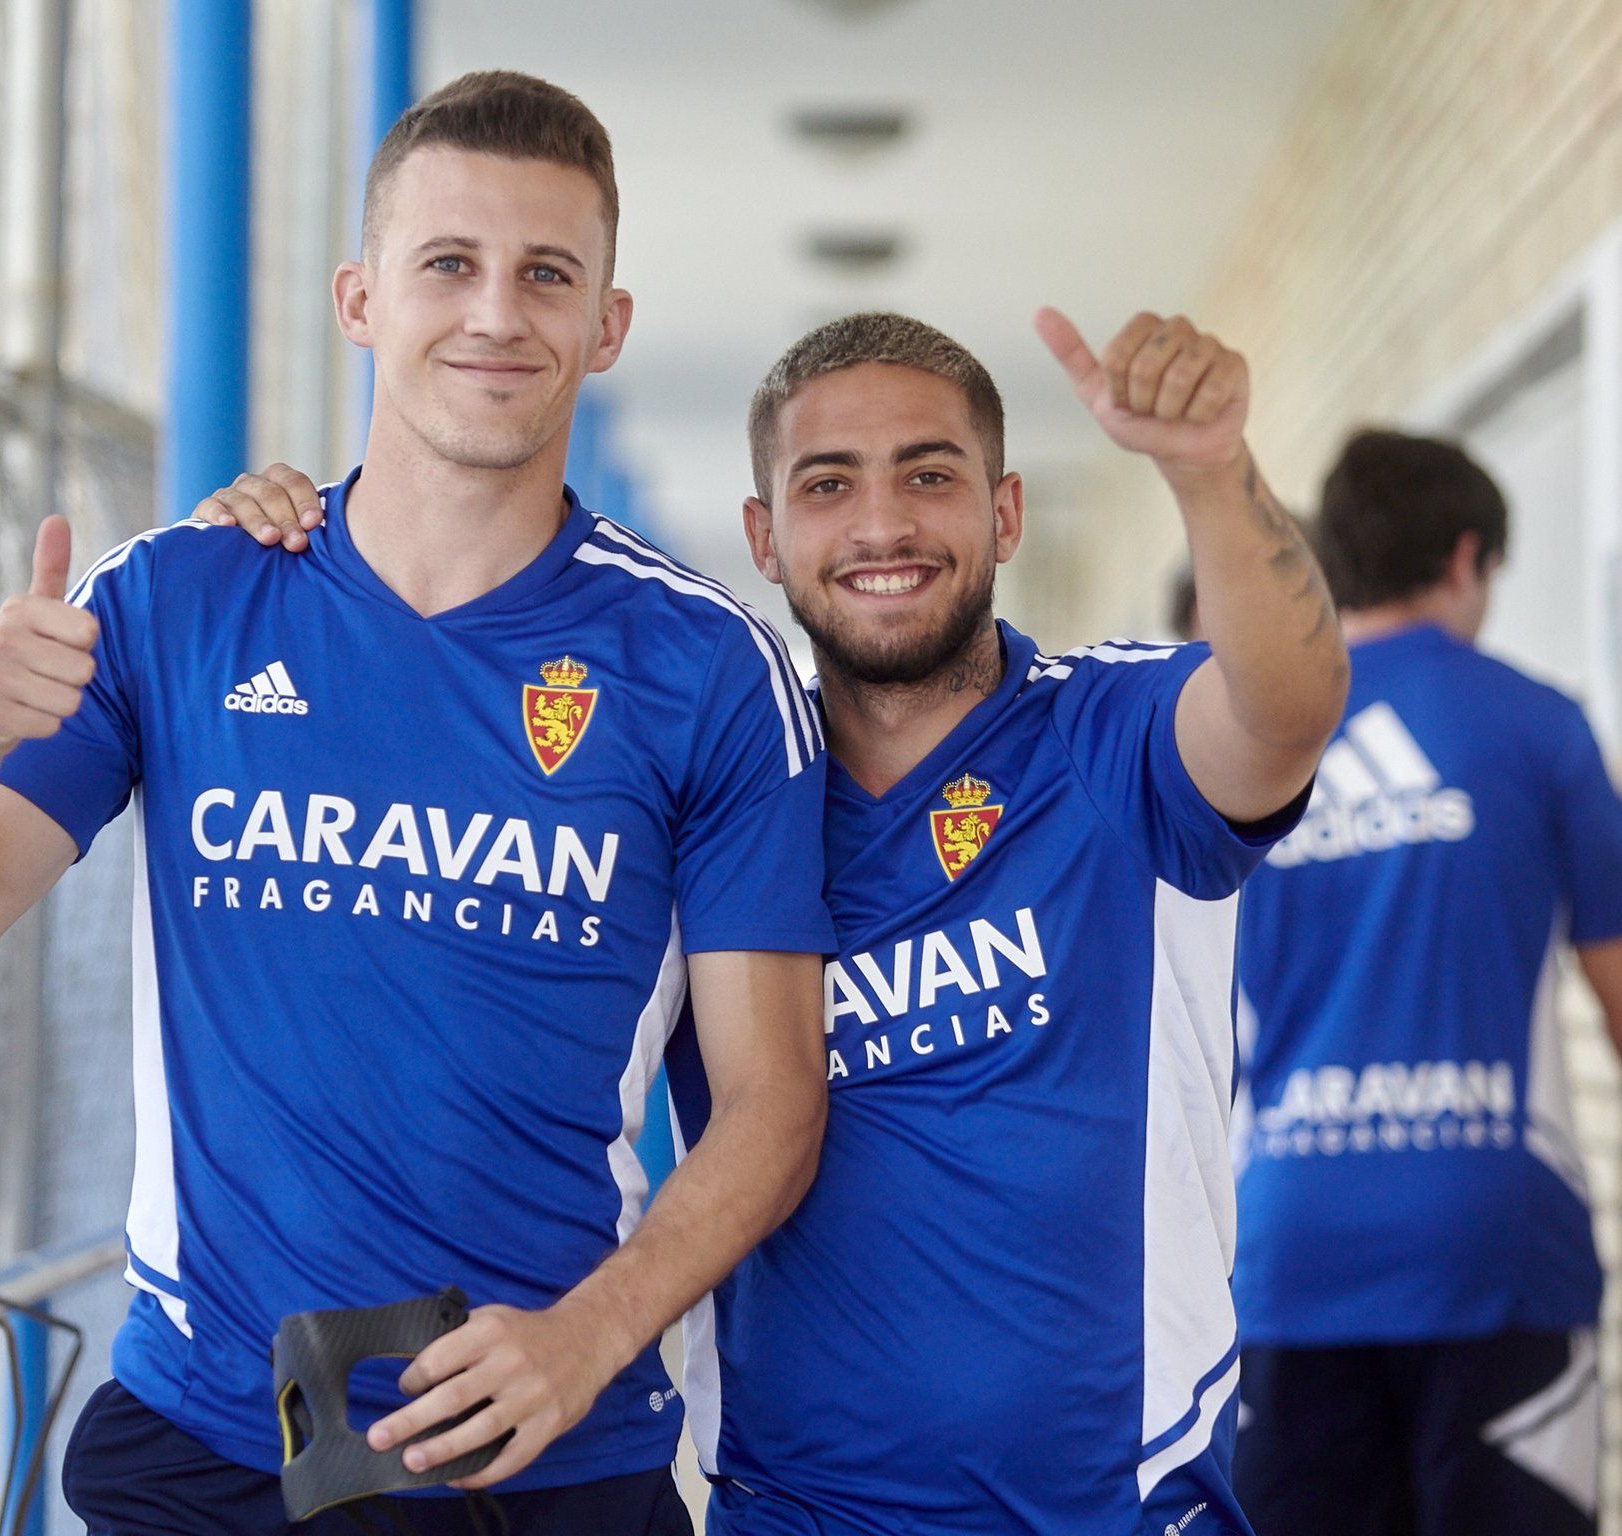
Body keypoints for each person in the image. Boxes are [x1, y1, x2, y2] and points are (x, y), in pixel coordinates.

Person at [0, 71, 834, 1536]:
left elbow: (770, 1105)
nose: (494, 312)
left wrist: (582, 1340)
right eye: (448, 265)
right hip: (210, 1447)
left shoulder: (705, 668)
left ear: (604, 323)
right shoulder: (177, 602)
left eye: (544, 274)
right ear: (359, 299)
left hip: (540, 1456)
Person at [224, 306, 1348, 1535]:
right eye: (828, 484)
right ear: (763, 536)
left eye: (930, 474)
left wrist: (1207, 473)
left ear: (1005, 511)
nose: (882, 524)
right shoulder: (715, 798)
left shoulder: (1110, 736)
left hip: (1117, 1509)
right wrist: (298, 542)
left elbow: (1284, 710)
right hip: (785, 1511)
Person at [1230, 429, 1622, 1536]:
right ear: (1465, 559)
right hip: (1491, 1248)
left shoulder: (1251, 740)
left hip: (1290, 1248)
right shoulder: (1540, 726)